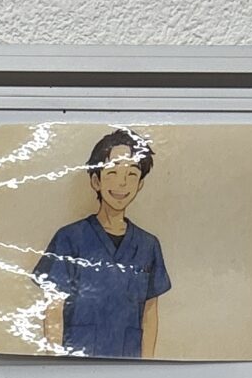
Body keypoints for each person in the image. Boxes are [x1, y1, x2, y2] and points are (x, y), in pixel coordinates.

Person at [32, 129, 171, 357]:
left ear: (140, 184)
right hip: (77, 361)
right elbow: (53, 310)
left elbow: (150, 313)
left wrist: (147, 367)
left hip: (128, 360)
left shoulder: (148, 246)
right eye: (112, 172)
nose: (122, 183)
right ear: (96, 181)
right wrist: (55, 364)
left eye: (132, 174)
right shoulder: (69, 239)